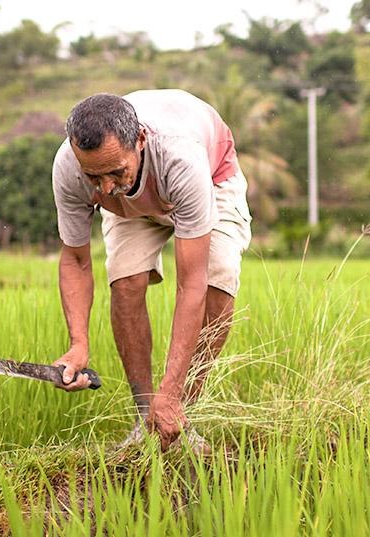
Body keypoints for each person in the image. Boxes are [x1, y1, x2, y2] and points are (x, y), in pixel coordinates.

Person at [49, 89, 252, 452]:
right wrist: (78, 344)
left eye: (115, 171)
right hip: (139, 199)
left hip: (210, 179)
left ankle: (181, 413)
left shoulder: (180, 157)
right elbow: (77, 260)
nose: (107, 188)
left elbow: (191, 284)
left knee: (216, 279)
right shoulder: (69, 167)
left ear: (140, 140)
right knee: (125, 283)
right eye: (93, 177)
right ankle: (146, 417)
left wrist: (171, 390)